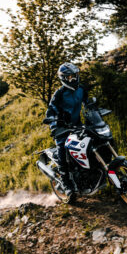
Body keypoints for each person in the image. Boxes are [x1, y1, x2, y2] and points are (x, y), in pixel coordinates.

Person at [45, 62, 89, 196]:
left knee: (92, 140)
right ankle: (66, 182)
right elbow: (50, 111)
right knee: (63, 149)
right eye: (70, 77)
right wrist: (54, 126)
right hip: (61, 128)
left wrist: (94, 112)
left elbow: (88, 104)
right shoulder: (59, 93)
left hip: (77, 124)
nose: (74, 79)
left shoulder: (81, 89)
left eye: (75, 76)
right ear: (63, 79)